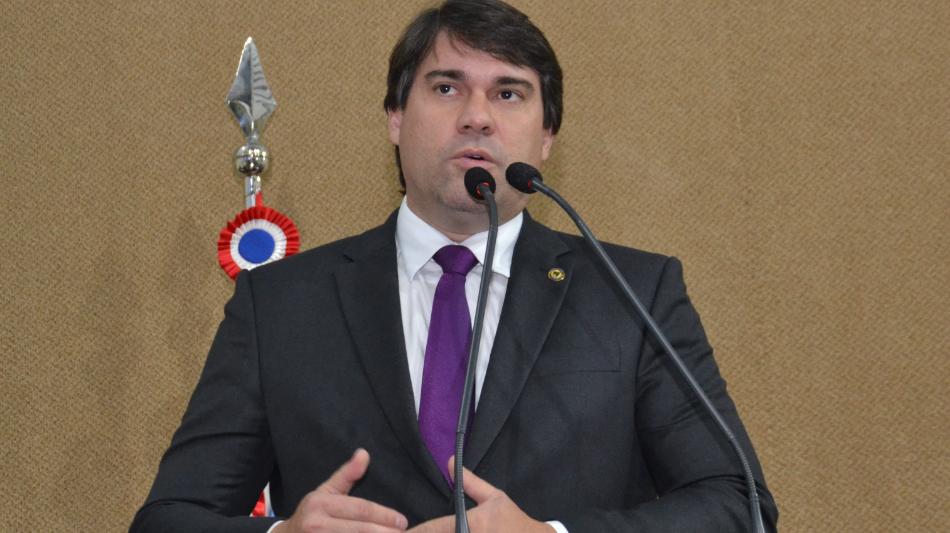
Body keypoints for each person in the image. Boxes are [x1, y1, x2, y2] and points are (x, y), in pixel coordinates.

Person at [131, 1, 778, 531]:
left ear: (546, 138)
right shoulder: (281, 303)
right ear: (394, 117)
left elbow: (739, 507)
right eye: (446, 88)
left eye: (509, 93)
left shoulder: (632, 294)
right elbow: (168, 519)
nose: (477, 117)